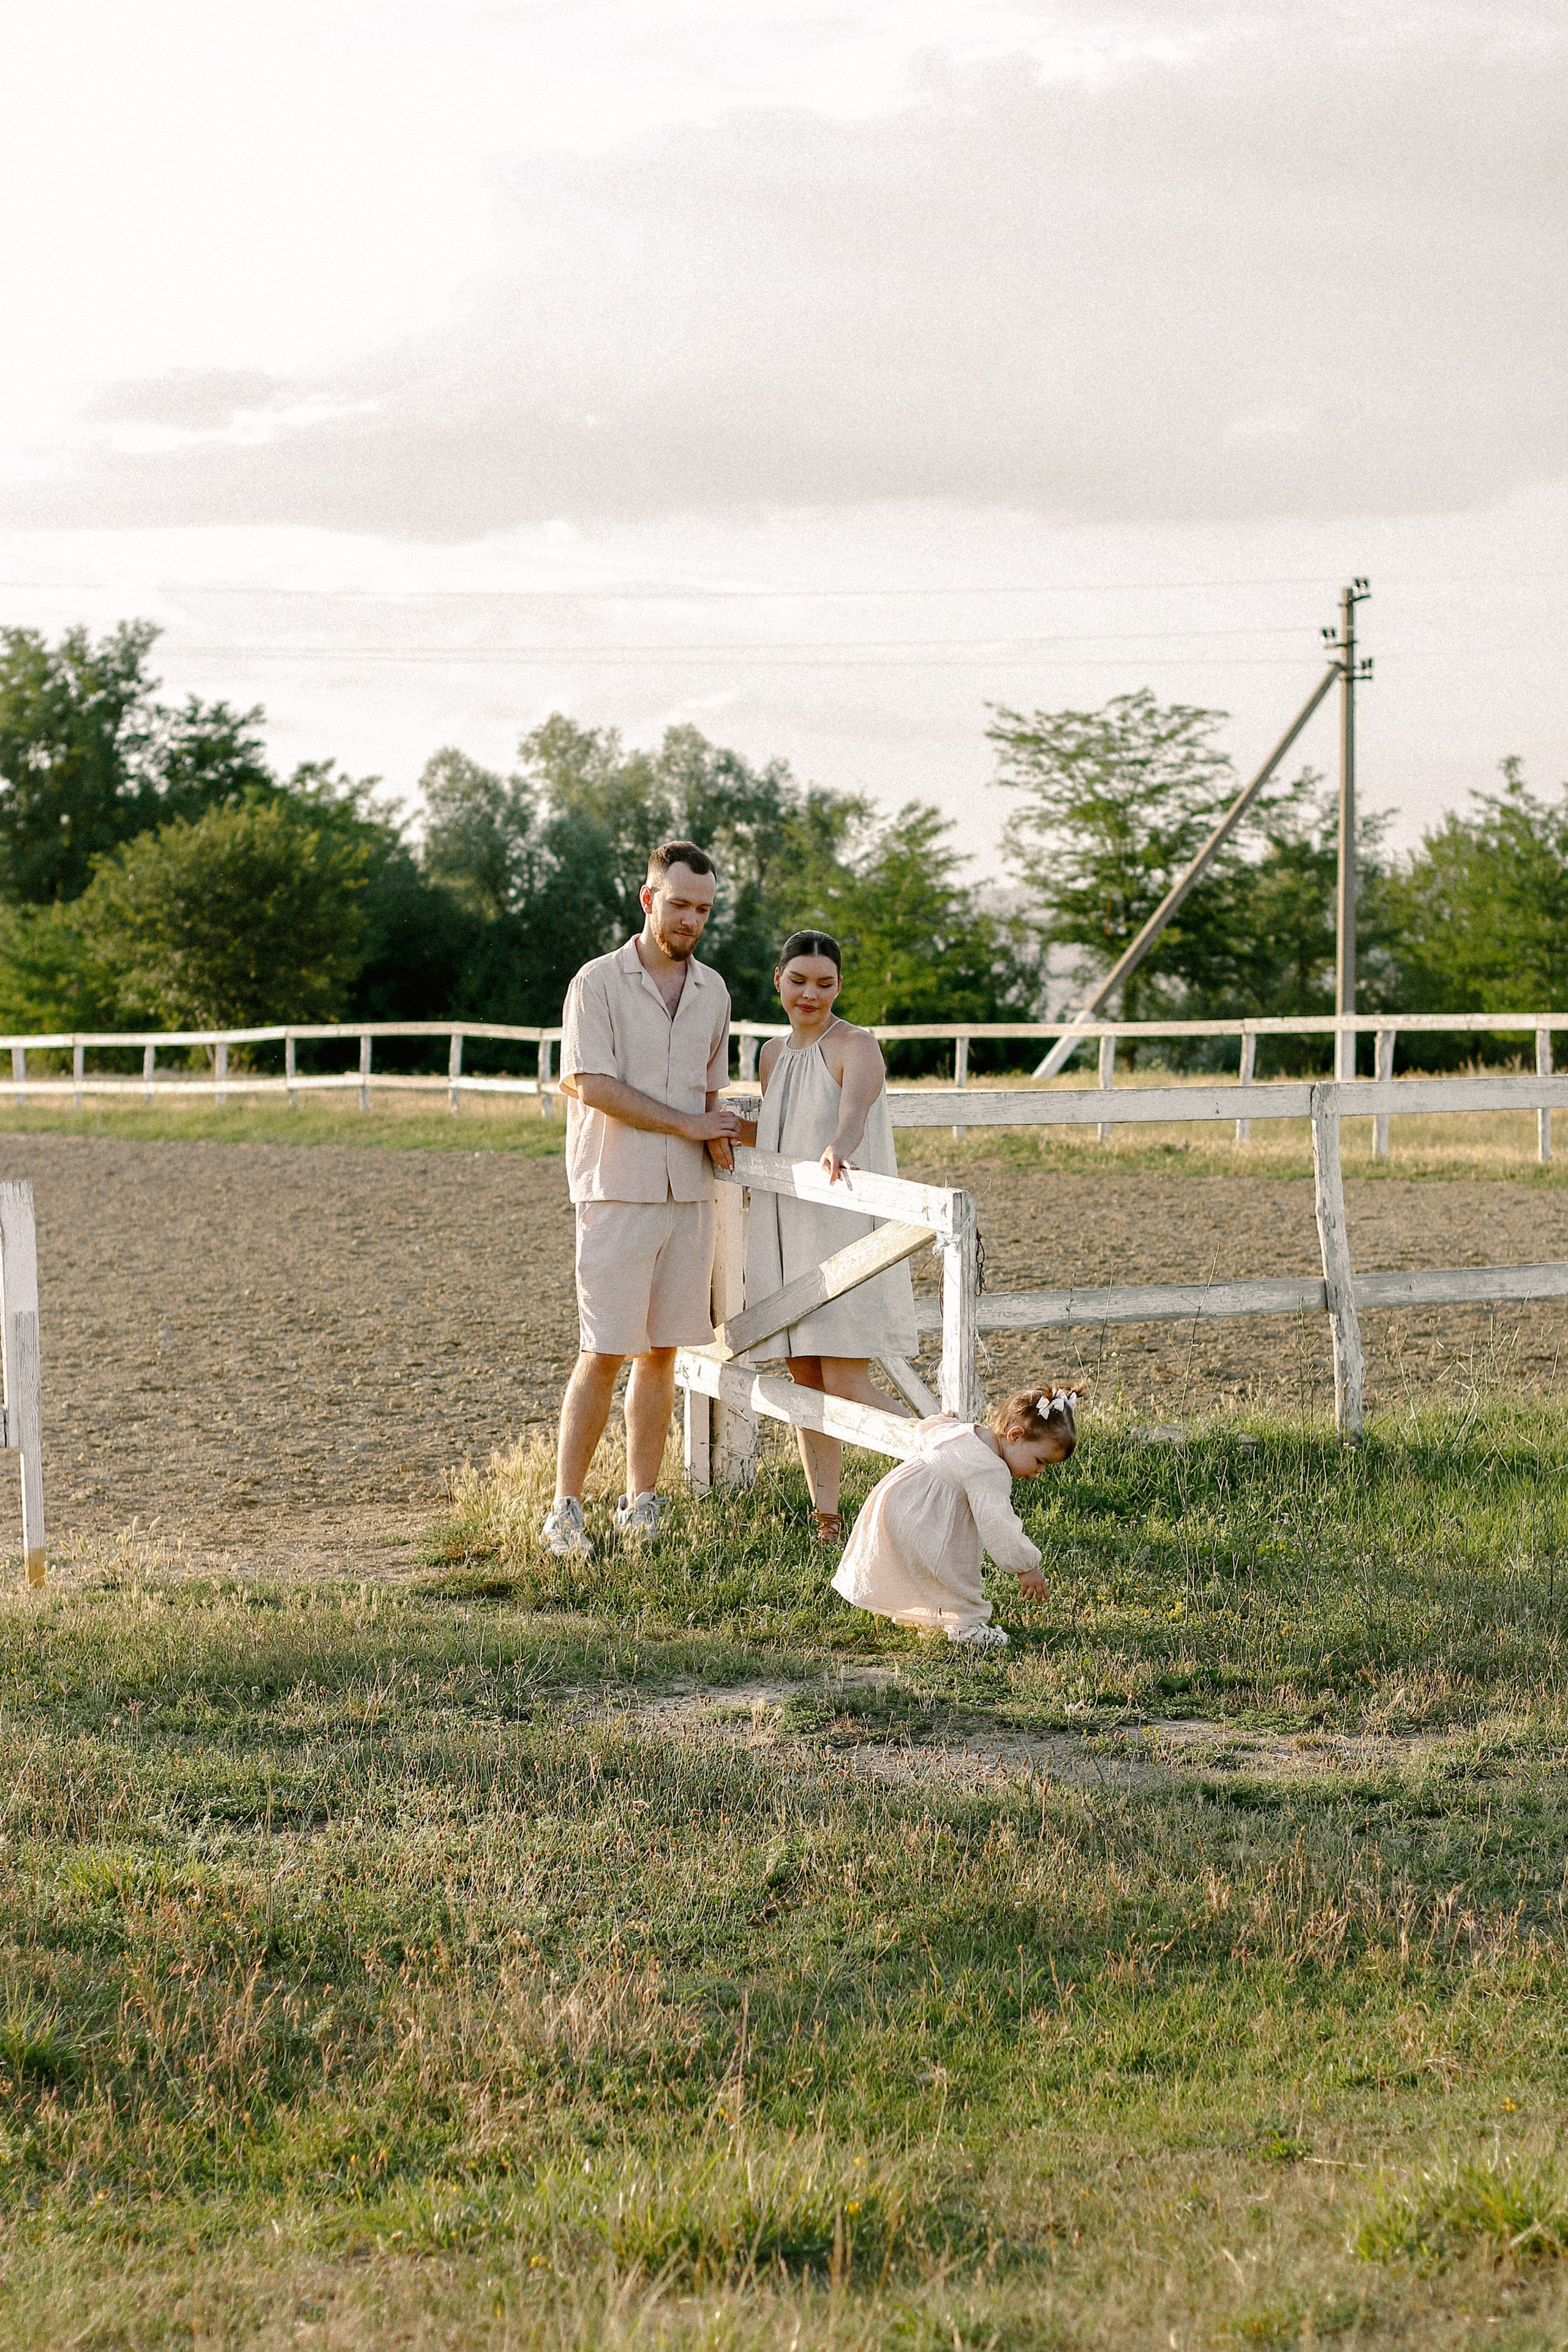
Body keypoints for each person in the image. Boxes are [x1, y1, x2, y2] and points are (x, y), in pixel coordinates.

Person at [542, 842, 739, 1559]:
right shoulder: (596, 983)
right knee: (603, 1350)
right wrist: (690, 1122)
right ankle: (565, 1513)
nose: (691, 919)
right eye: (680, 903)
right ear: (648, 897)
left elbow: (711, 1092)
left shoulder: (714, 992)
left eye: (704, 910)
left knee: (662, 1354)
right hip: (616, 1190)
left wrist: (716, 1136)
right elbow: (592, 1084)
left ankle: (641, 1504)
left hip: (688, 1194)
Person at [741, 929, 918, 1548]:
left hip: (841, 1231)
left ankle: (947, 1464)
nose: (809, 994)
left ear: (839, 986)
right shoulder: (769, 1054)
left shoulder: (856, 1046)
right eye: (798, 982)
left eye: (823, 983)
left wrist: (837, 1149)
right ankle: (826, 1517)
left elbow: (853, 1117)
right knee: (806, 1378)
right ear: (778, 982)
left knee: (846, 1380)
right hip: (787, 1232)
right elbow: (777, 1126)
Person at [831, 1386, 1081, 1651]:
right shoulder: (990, 1470)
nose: (1040, 1471)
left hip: (897, 1500)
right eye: (1040, 1461)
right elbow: (999, 1526)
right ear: (1015, 1436)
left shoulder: (965, 1431)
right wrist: (1026, 1566)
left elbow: (927, 1431)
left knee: (929, 1565)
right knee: (953, 1568)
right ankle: (966, 1625)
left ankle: (927, 1613)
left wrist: (941, 1419)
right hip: (921, 1515)